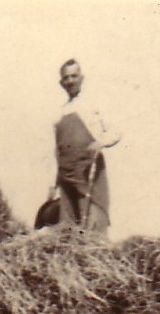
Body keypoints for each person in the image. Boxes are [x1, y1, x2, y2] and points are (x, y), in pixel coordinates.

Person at [49, 59, 120, 234]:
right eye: (66, 78)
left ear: (82, 78)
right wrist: (54, 184)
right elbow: (57, 152)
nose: (70, 81)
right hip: (66, 177)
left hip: (88, 172)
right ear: (61, 83)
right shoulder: (59, 112)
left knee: (92, 224)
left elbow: (116, 131)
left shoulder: (92, 104)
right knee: (68, 228)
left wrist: (101, 142)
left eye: (74, 76)